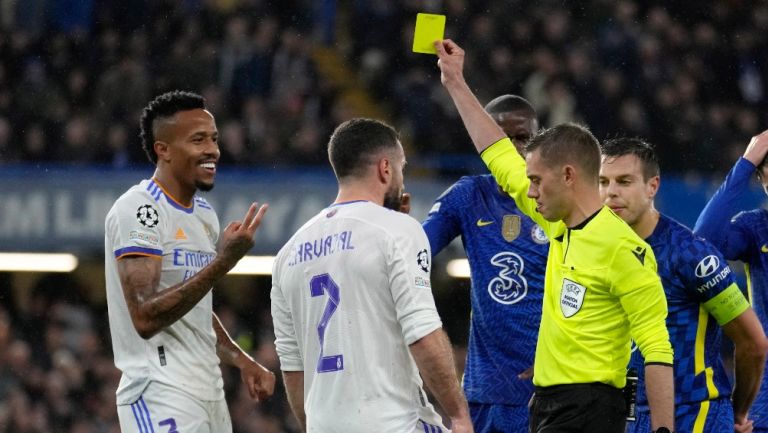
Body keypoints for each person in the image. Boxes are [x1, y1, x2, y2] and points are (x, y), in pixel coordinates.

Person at [434, 39, 675, 433]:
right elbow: (496, 154)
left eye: (536, 181)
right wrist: (455, 81)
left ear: (568, 176)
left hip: (591, 408)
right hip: (545, 403)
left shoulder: (624, 249)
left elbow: (657, 348)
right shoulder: (556, 222)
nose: (528, 192)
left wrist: (663, 431)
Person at [270, 118, 473, 432]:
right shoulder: (399, 230)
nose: (402, 179)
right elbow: (422, 334)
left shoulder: (287, 255)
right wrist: (459, 415)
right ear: (385, 168)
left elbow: (293, 370)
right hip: (393, 423)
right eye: (401, 168)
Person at [104, 90, 275, 433]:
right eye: (198, 140)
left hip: (209, 394)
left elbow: (195, 308)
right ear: (162, 150)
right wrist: (223, 263)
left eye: (213, 139)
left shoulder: (204, 215)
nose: (212, 150)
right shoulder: (141, 210)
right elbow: (144, 316)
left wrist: (242, 360)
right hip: (159, 390)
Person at [599, 137, 767, 433]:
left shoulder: (690, 253)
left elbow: (752, 343)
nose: (611, 192)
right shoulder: (592, 250)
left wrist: (734, 413)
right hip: (627, 414)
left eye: (624, 181)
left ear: (653, 186)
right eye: (603, 182)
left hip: (695, 414)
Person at [422, 94, 548, 432]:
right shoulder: (468, 196)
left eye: (522, 138)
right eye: (500, 139)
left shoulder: (562, 204)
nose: (512, 149)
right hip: (482, 390)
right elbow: (415, 252)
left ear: (540, 140)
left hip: (547, 389)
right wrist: (396, 227)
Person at [694, 130, 768, 432]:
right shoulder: (757, 228)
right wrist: (746, 163)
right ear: (764, 182)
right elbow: (704, 241)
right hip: (764, 408)